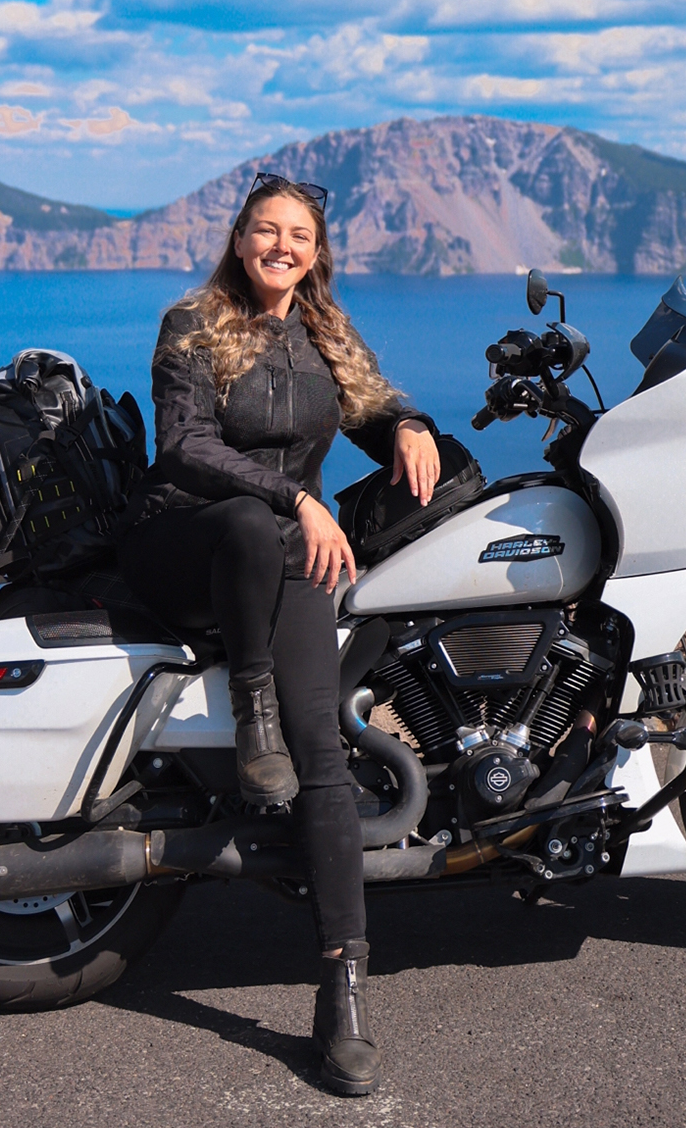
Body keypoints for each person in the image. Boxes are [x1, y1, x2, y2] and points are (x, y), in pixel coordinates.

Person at [118, 172, 441, 1096]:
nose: (281, 246)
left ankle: (342, 989)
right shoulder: (193, 322)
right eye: (266, 230)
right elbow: (183, 446)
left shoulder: (326, 331)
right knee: (247, 523)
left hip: (285, 556)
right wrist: (297, 496)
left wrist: (410, 423)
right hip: (186, 543)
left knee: (325, 753)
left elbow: (371, 404)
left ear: (316, 251)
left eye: (298, 235)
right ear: (239, 239)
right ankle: (249, 700)